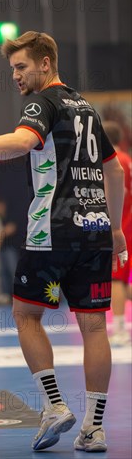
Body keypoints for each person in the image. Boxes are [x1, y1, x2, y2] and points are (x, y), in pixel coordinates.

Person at [0, 31, 128, 453]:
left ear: (45, 64)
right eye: (12, 68)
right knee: (93, 326)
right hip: (96, 229)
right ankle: (93, 429)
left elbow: (20, 142)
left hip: (53, 228)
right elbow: (115, 171)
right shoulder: (84, 106)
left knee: (26, 315)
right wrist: (117, 227)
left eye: (21, 67)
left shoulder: (41, 103)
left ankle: (53, 406)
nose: (15, 75)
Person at [103, 121, 132, 345]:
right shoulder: (128, 159)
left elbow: (111, 194)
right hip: (128, 223)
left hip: (121, 226)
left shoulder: (114, 161)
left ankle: (120, 330)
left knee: (117, 280)